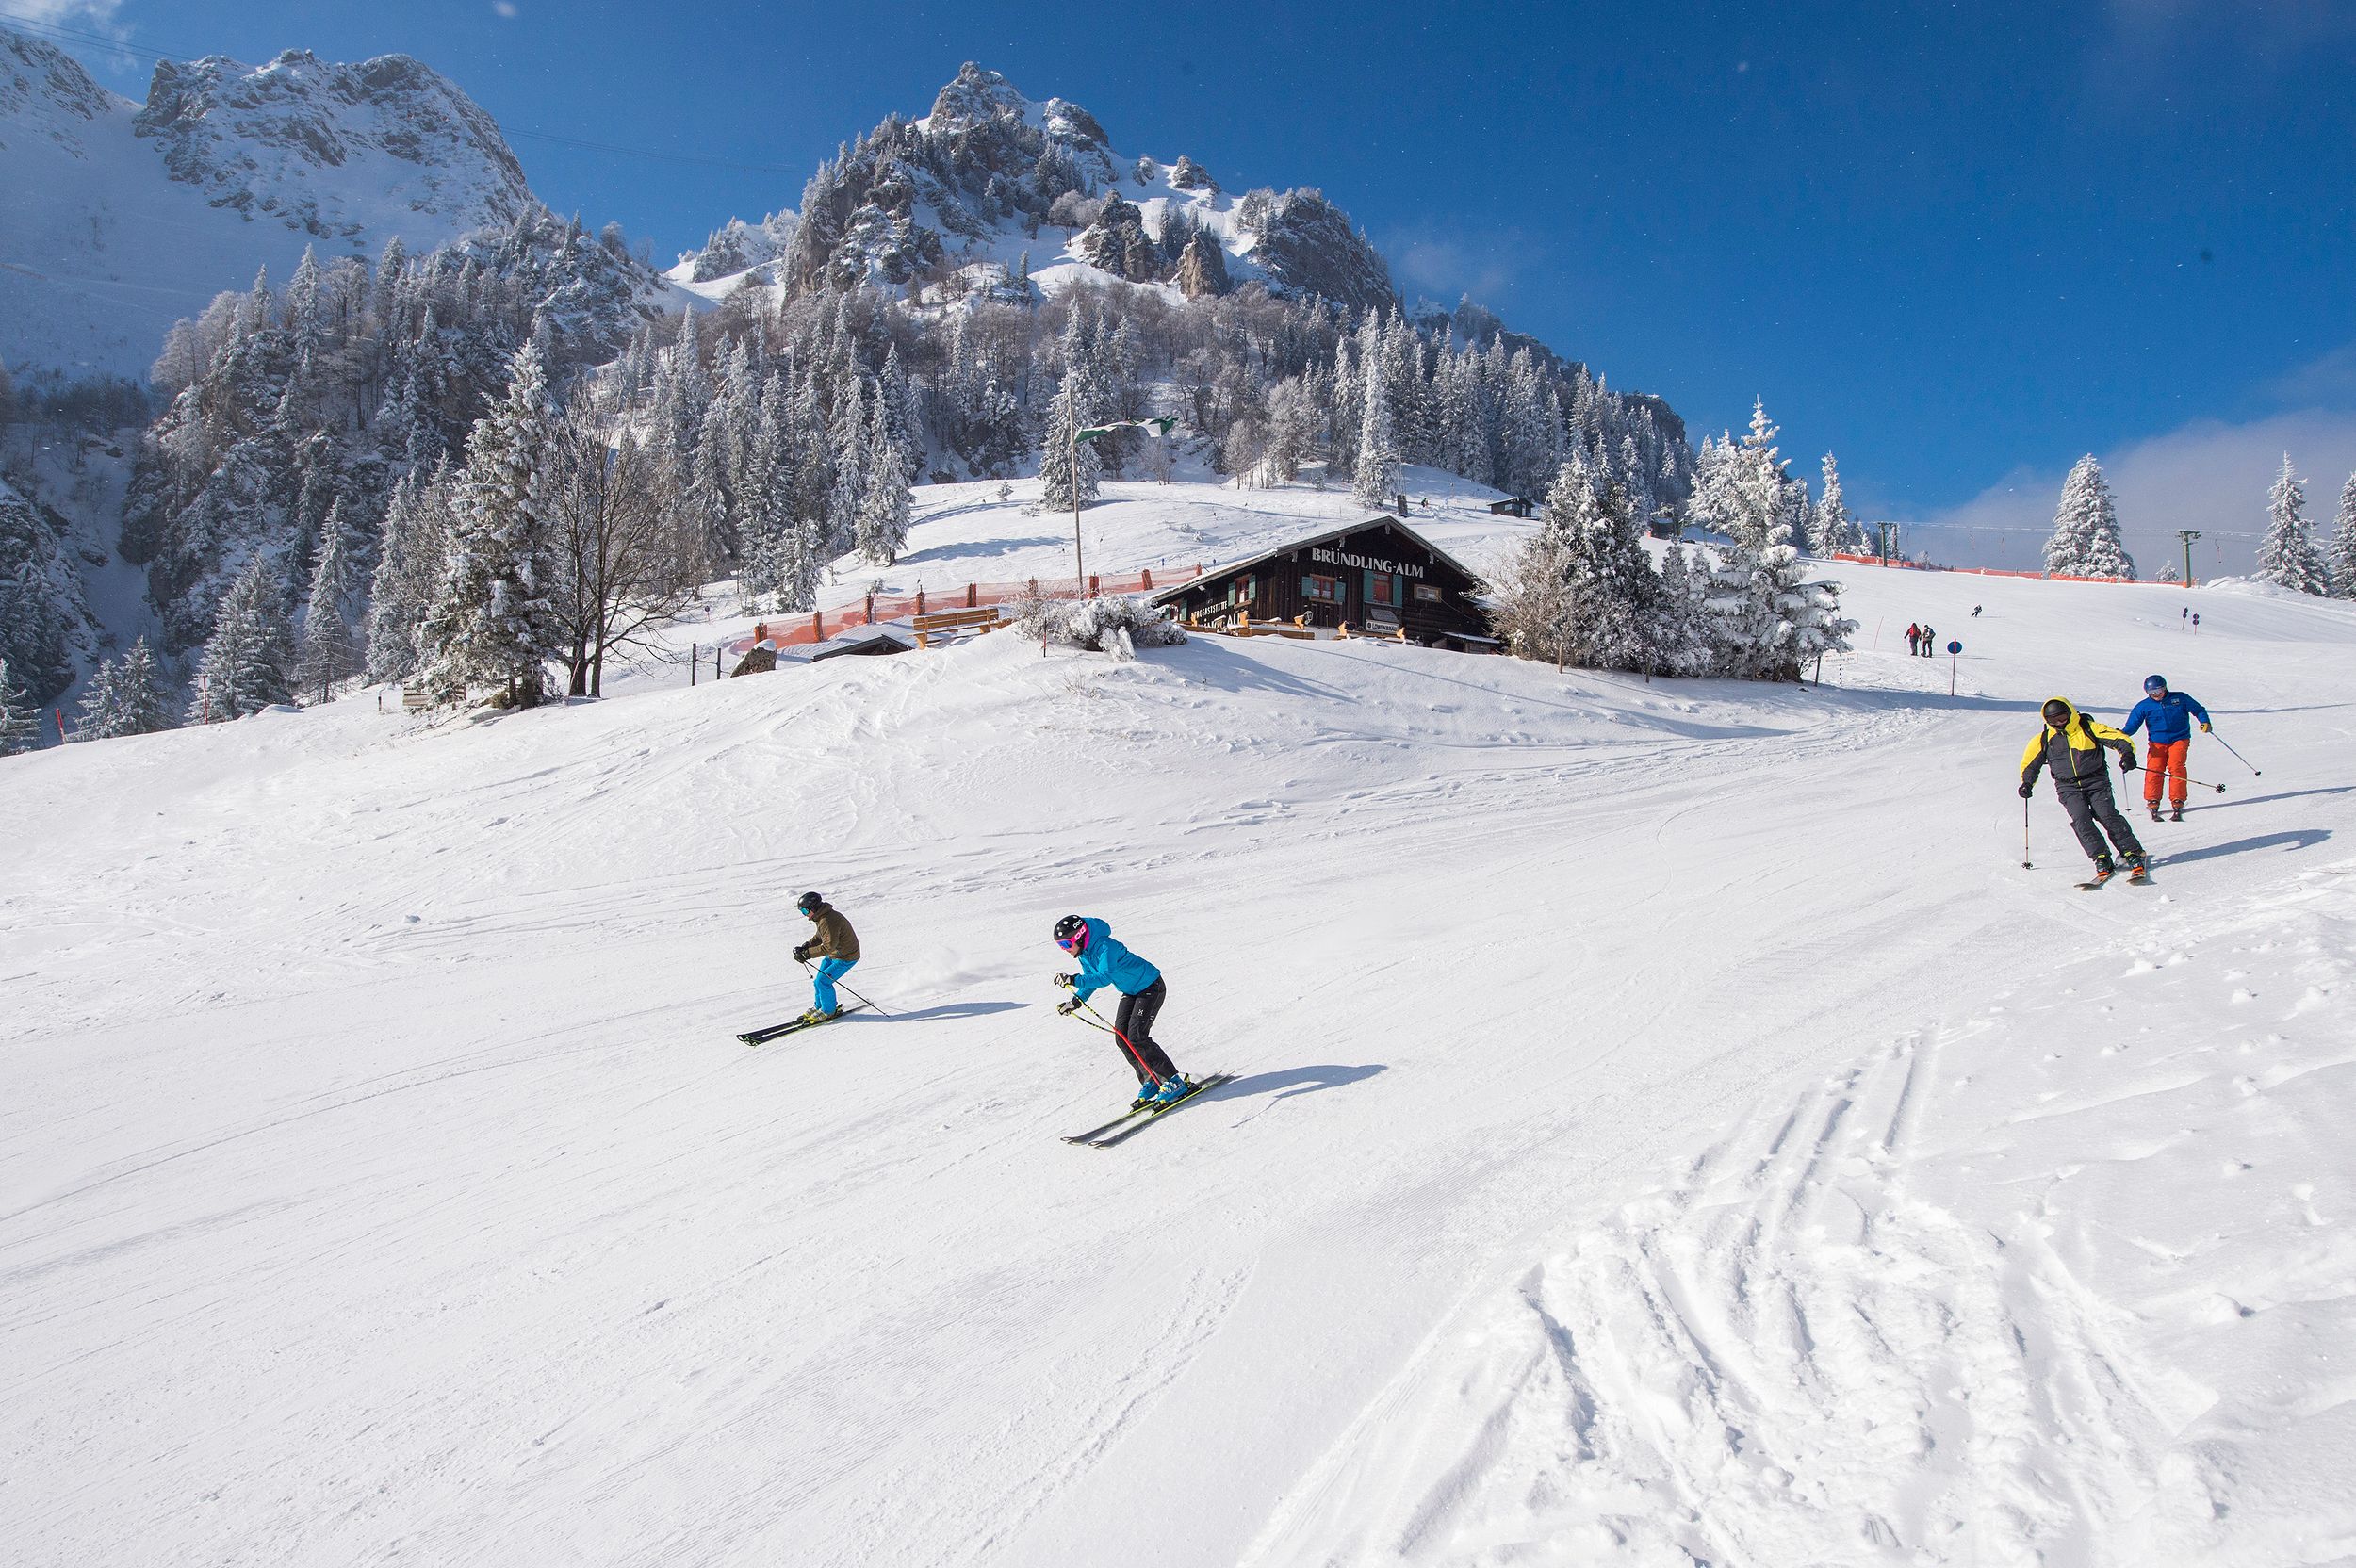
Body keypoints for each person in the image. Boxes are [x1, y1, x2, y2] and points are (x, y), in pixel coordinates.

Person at [1053, 914, 1193, 1108]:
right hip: (1131, 990)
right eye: (1061, 947)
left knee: (1137, 1036)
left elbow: (1104, 978)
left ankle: (1174, 1081)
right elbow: (1091, 978)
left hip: (1150, 987)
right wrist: (1076, 1001)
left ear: (1080, 936)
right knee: (1122, 1037)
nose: (1065, 950)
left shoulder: (1105, 947)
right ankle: (1151, 1079)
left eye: (1067, 945)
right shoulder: (1085, 953)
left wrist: (1073, 979)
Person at [2020, 697, 2147, 884]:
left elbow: (2120, 739)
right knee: (2081, 819)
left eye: (2062, 718)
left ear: (2070, 713)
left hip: (2096, 781)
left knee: (2107, 815)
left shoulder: (2088, 727)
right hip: (2067, 786)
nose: (2059, 723)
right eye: (2053, 720)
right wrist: (2027, 783)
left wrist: (2127, 755)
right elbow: (2030, 764)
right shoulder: (2045, 739)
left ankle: (2132, 852)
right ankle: (2100, 857)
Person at [2119, 674, 2211, 823]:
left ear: (2165, 688)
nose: (2157, 695)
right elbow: (2132, 726)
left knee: (2176, 766)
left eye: (2159, 691)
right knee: (2154, 769)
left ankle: (2178, 799)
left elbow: (2198, 710)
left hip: (2179, 738)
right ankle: (2152, 799)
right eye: (2152, 693)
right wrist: (2122, 734)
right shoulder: (2144, 706)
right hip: (2157, 742)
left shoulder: (2180, 698)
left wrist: (2204, 721)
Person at [791, 891, 860, 1023]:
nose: (805, 915)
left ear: (814, 907)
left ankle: (828, 1011)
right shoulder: (822, 917)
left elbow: (828, 947)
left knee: (823, 982)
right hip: (835, 955)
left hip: (846, 957)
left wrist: (807, 954)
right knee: (818, 981)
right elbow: (820, 936)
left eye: (805, 911)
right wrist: (806, 946)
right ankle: (819, 1006)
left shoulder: (828, 920)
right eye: (802, 912)